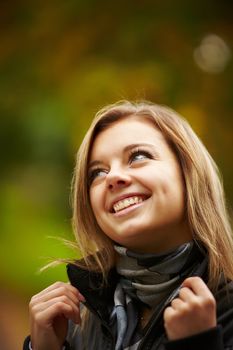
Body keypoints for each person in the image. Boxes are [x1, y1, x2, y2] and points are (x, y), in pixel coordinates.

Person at [23, 101, 233, 350]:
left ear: (189, 172)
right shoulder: (74, 318)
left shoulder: (226, 307)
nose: (112, 177)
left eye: (138, 156)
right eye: (97, 173)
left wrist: (199, 345)